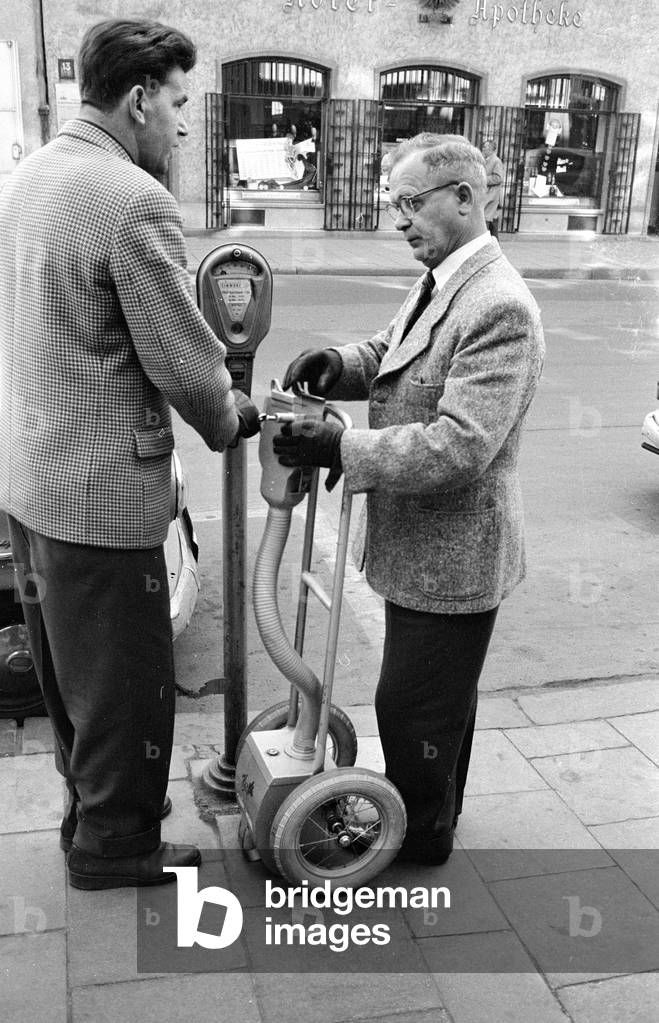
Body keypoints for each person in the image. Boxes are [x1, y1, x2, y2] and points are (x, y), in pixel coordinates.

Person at [0, 18, 259, 889]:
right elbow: (184, 358)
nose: (184, 124)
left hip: (32, 478)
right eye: (180, 102)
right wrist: (233, 418)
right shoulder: (131, 197)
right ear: (140, 96)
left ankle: (89, 816)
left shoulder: (31, 174)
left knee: (70, 674)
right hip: (102, 491)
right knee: (124, 683)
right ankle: (117, 848)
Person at [274, 134, 544, 864]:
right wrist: (340, 363)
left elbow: (459, 446)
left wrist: (338, 448)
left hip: (454, 553)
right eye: (394, 204)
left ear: (464, 197)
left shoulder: (498, 306)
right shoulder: (441, 279)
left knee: (411, 705)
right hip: (418, 545)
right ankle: (435, 815)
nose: (398, 219)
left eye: (410, 203)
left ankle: (419, 835)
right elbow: (393, 354)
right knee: (440, 699)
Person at [481, 138, 505, 238]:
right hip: (487, 197)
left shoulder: (496, 161)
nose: (483, 149)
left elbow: (498, 178)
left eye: (485, 147)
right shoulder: (486, 160)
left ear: (491, 150)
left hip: (491, 197)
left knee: (486, 223)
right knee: (490, 226)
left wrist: (482, 179)